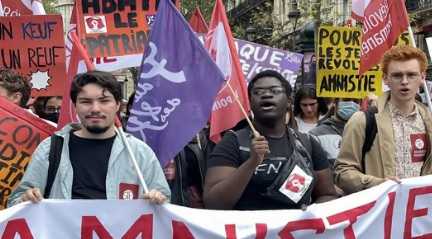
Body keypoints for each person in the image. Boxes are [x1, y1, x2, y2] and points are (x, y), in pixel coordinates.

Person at [8, 71, 170, 206]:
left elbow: (165, 205)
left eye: (104, 101)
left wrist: (158, 199)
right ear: (75, 106)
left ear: (118, 105)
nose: (95, 108)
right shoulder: (50, 149)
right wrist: (26, 198)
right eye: (86, 101)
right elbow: (16, 203)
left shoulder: (139, 153)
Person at [203, 70, 337, 210]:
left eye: (275, 91)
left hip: (294, 231)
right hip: (249, 230)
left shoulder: (308, 143)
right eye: (258, 92)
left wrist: (309, 214)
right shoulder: (233, 143)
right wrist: (251, 163)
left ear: (289, 101)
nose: (266, 95)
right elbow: (214, 203)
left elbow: (327, 195)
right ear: (250, 102)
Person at [334, 45, 432, 194]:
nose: (404, 81)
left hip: (419, 213)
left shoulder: (429, 122)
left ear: (422, 77)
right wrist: (378, 184)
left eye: (411, 75)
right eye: (397, 75)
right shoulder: (362, 121)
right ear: (385, 78)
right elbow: (342, 172)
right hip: (381, 211)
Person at [310, 98, 361, 168]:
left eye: (356, 101)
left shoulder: (366, 133)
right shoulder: (316, 135)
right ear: (335, 102)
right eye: (346, 100)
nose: (351, 104)